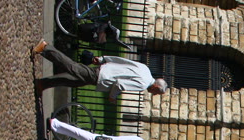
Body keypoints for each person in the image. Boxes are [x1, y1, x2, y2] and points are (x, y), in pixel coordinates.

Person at [32, 40, 167, 101]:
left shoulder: (145, 69)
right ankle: (46, 48)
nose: (154, 94)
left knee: (74, 81)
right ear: (156, 87)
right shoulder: (143, 84)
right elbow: (120, 84)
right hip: (102, 78)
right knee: (72, 67)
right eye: (157, 92)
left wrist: (103, 59)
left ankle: (43, 84)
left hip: (103, 71)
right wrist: (112, 97)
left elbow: (122, 60)